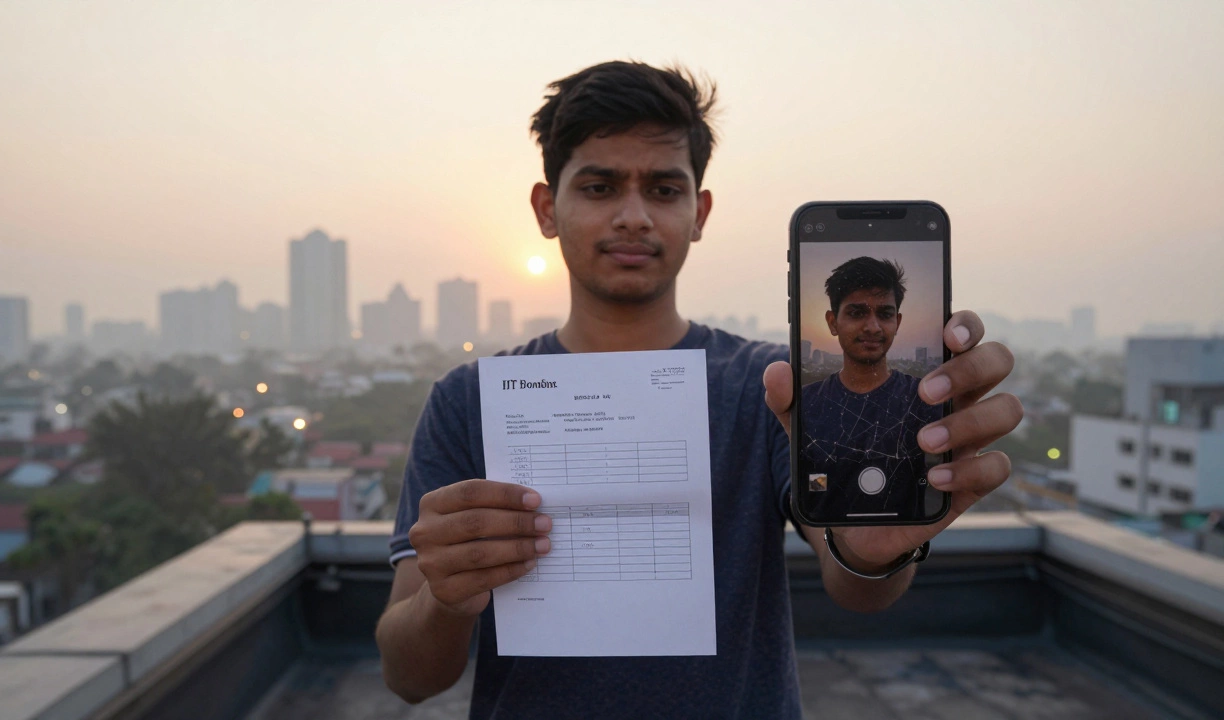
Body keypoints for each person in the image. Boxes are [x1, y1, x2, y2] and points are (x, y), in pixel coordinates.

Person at [374, 61, 1022, 719]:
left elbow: (857, 585)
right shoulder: (469, 399)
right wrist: (444, 598)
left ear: (699, 211)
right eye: (599, 187)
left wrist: (878, 548)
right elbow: (409, 676)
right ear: (547, 208)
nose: (633, 217)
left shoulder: (772, 388)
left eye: (662, 188)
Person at [801, 256, 942, 518]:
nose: (873, 327)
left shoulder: (925, 399)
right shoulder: (807, 403)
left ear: (897, 322)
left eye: (884, 314)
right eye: (857, 313)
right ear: (833, 322)